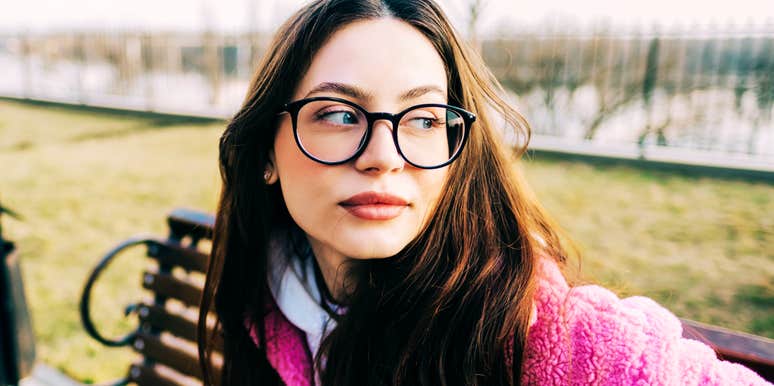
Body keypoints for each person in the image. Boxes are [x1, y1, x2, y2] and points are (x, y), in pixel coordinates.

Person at [196, 0, 770, 385]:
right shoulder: (273, 298)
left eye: (423, 118)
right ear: (266, 151)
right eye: (340, 114)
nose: (384, 157)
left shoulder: (549, 339)